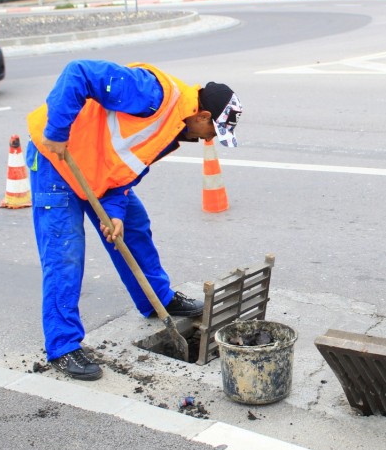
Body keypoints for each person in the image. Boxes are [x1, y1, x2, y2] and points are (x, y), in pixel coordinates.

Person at [25, 60, 242, 381]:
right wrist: (56, 130)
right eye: (213, 132)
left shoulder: (175, 128)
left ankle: (156, 300)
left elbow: (123, 165)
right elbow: (78, 73)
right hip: (55, 159)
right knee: (64, 255)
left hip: (94, 171)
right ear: (203, 116)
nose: (210, 139)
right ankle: (63, 346)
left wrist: (113, 214)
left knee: (133, 228)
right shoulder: (153, 94)